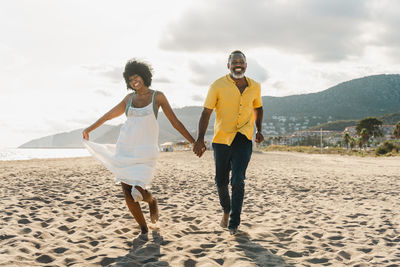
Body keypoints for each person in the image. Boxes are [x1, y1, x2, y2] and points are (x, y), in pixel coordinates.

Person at [83, 59, 195, 236]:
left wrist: (193, 141)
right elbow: (108, 115)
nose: (134, 81)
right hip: (125, 148)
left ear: (144, 76)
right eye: (130, 79)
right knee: (127, 192)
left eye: (136, 77)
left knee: (139, 189)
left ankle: (152, 201)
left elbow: (175, 122)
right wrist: (90, 129)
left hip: (146, 151)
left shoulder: (157, 96)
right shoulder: (129, 99)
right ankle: (143, 229)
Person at [193, 50, 264, 235]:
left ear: (246, 65)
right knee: (221, 181)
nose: (238, 65)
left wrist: (259, 129)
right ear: (228, 65)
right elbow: (206, 113)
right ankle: (226, 210)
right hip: (222, 139)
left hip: (243, 137)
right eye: (234, 62)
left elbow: (259, 107)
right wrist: (200, 138)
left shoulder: (255, 86)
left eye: (241, 62)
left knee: (238, 180)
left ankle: (234, 223)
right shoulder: (217, 85)